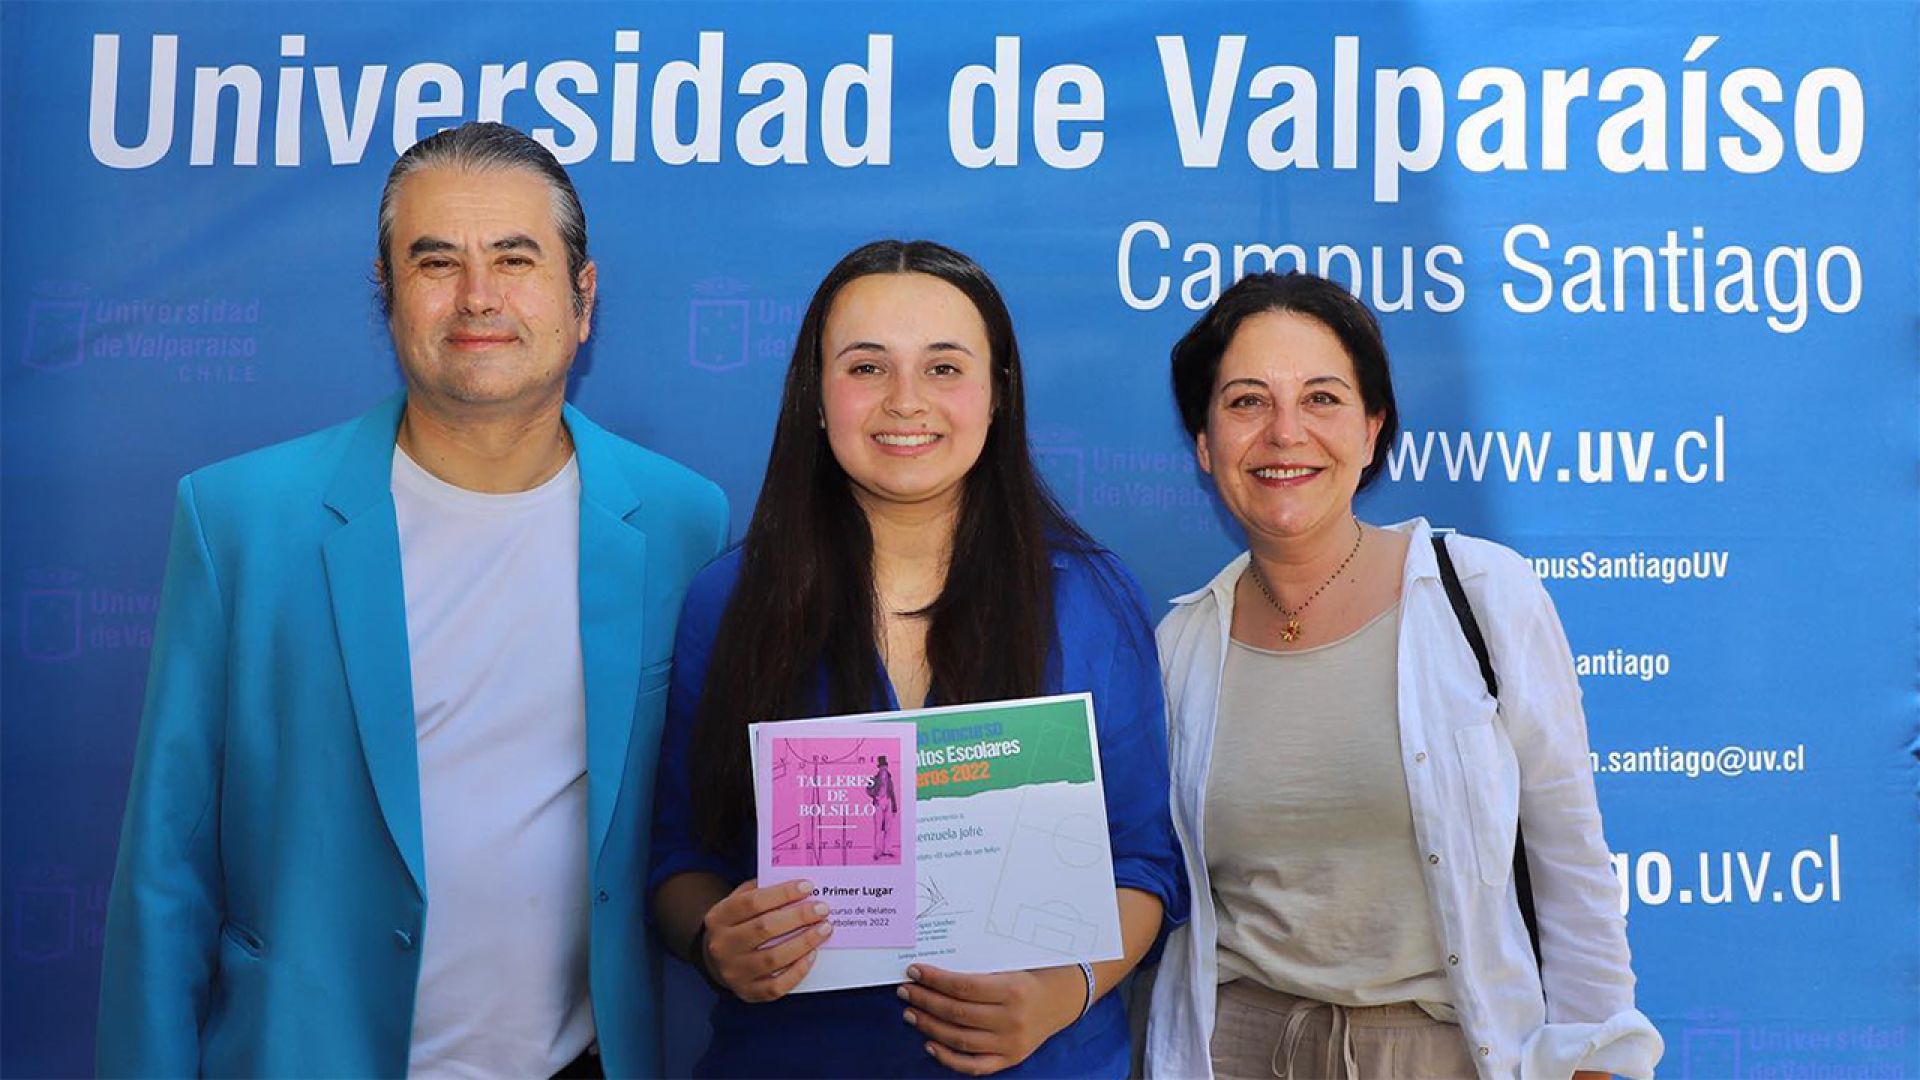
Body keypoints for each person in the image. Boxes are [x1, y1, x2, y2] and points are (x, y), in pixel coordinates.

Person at [96, 122, 728, 1078]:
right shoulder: (239, 521)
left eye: (515, 258)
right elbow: (164, 873)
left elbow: (692, 825)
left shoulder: (684, 522)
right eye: (437, 262)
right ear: (386, 296)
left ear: (583, 297)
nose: (478, 296)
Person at [648, 240, 1185, 1077]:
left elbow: (1144, 863)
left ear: (998, 395)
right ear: (815, 398)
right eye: (867, 368)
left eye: (943, 368)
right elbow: (680, 860)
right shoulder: (729, 601)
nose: (905, 401)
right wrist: (716, 945)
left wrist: (1059, 995)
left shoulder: (1090, 597)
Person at [1143, 272, 1663, 1080]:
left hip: (1443, 1052)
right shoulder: (1179, 646)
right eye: (1247, 401)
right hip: (1235, 1047)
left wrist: (1596, 1057)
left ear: (1371, 429)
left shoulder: (1482, 594)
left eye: (1322, 398)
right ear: (1205, 443)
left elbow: (1570, 858)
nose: (1285, 432)